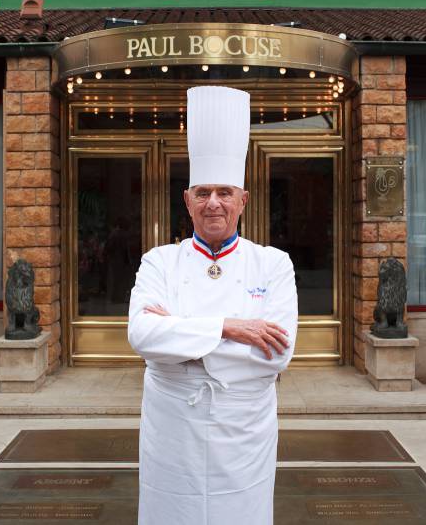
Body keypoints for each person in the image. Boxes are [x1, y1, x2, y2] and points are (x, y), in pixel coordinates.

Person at [127, 85, 298, 525]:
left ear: (243, 199)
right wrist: (230, 328)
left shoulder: (273, 264)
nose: (214, 203)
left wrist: (180, 336)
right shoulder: (159, 261)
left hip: (244, 431)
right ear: (187, 201)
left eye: (225, 191)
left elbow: (277, 353)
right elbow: (142, 334)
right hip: (172, 431)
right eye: (202, 192)